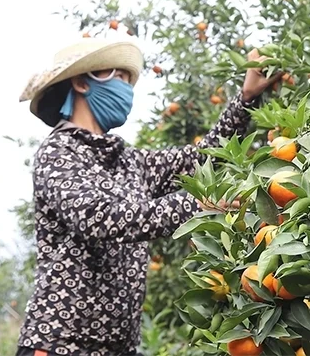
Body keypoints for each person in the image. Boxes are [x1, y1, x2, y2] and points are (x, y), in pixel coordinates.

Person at [15, 37, 280, 356]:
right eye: (120, 77)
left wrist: (247, 97)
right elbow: (101, 219)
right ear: (82, 83)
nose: (127, 89)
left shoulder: (129, 162)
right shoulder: (58, 153)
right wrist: (193, 203)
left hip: (119, 348)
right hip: (61, 344)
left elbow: (203, 158)